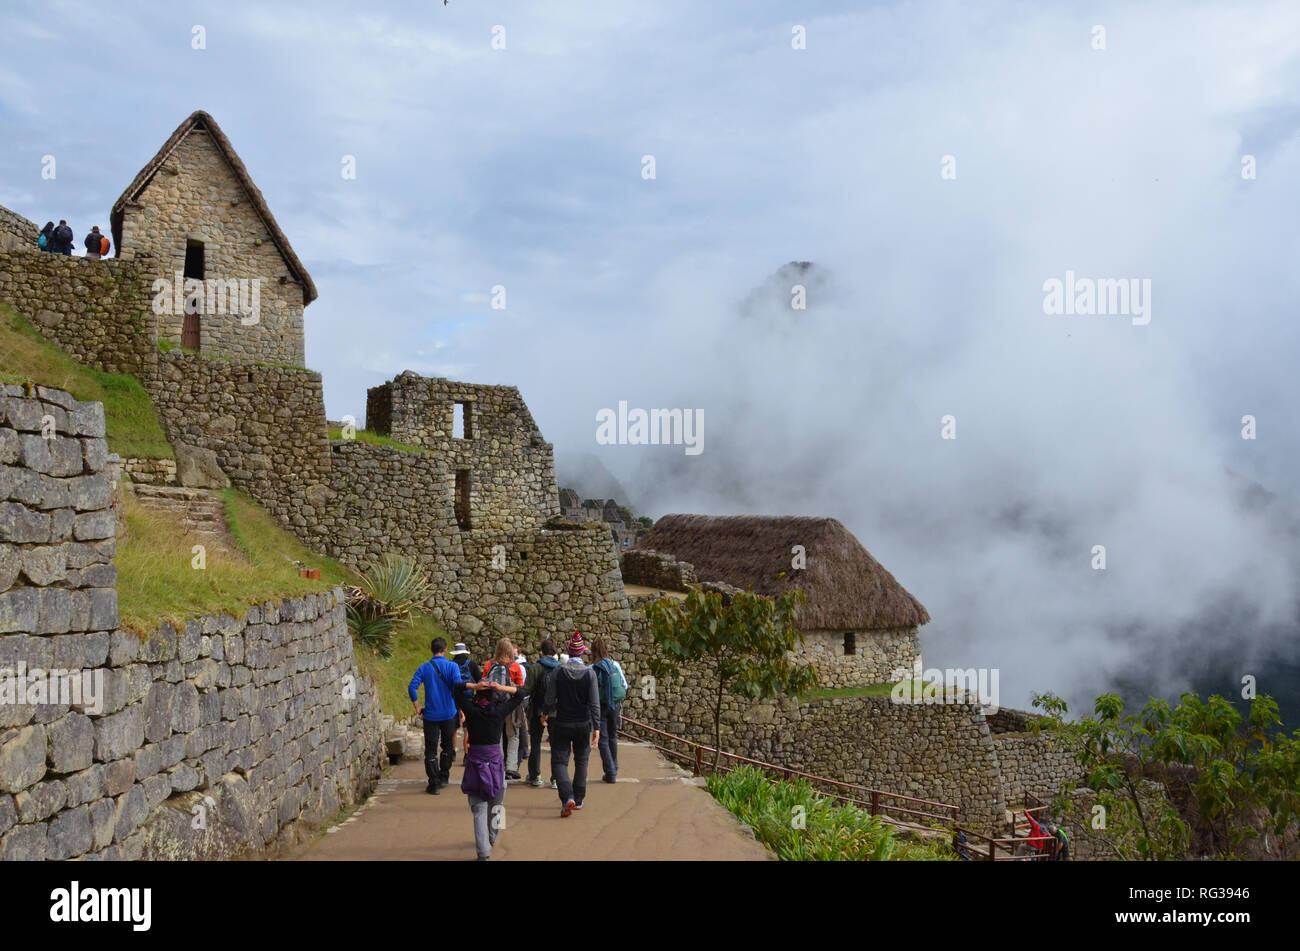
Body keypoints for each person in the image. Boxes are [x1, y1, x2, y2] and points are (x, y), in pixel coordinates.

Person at [457, 677, 526, 860]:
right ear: (494, 694)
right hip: (495, 763)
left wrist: (473, 685)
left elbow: (455, 689)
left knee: (479, 809)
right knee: (498, 805)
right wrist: (500, 686)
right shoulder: (499, 711)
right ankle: (492, 839)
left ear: (478, 693)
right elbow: (520, 694)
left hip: (476, 763)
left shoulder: (471, 711)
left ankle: (483, 853)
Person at [541, 631, 600, 817]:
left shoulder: (559, 672)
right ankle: (579, 798)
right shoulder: (590, 674)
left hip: (562, 722)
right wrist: (596, 727)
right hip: (583, 723)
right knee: (582, 760)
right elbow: (594, 703)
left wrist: (544, 714)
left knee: (560, 761)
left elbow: (550, 699)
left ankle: (567, 797)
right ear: (582, 653)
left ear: (569, 652)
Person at [407, 637, 464, 794]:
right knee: (447, 747)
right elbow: (457, 687)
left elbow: (412, 688)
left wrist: (417, 707)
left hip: (431, 715)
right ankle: (444, 775)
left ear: (431, 650)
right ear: (445, 650)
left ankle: (434, 783)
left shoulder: (424, 667)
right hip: (449, 713)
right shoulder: (452, 666)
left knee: (430, 750)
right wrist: (459, 709)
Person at [482, 638, 526, 778]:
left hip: (494, 705)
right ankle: (511, 766)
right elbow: (520, 686)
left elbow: (483, 683)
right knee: (513, 736)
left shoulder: (489, 664)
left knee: (498, 735)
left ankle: (498, 765)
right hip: (510, 705)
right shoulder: (515, 666)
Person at [524, 638, 561, 787]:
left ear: (542, 651)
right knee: (556, 745)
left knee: (535, 743)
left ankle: (535, 776)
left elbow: (527, 689)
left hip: (537, 711)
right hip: (555, 712)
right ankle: (556, 778)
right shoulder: (560, 668)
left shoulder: (535, 667)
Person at [590, 638, 627, 783]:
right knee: (613, 736)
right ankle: (614, 767)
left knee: (602, 739)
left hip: (600, 706)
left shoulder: (592, 668)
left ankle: (610, 772)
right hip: (615, 705)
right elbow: (625, 685)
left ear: (593, 651)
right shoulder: (614, 664)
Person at [449, 642, 481, 758]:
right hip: (469, 699)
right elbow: (479, 680)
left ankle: (452, 752)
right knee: (467, 728)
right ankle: (467, 754)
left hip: (454, 699)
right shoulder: (471, 664)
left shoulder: (451, 664)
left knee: (453, 727)